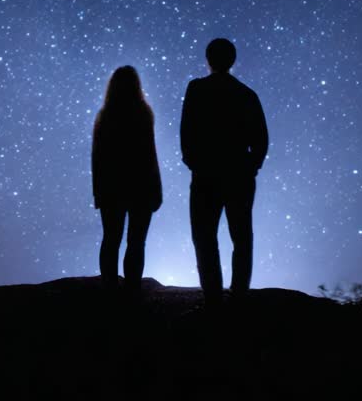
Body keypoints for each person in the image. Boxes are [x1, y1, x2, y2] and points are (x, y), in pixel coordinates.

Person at [180, 38, 268, 307]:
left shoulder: (197, 89)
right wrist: (251, 166)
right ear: (233, 60)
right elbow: (261, 139)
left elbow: (187, 131)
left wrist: (194, 162)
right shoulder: (246, 94)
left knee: (204, 237)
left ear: (208, 59)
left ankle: (213, 298)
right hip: (238, 175)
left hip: (206, 174)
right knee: (241, 237)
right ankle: (238, 295)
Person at [92, 65, 162, 300]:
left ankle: (110, 289)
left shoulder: (105, 115)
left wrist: (98, 192)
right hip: (141, 186)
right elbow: (150, 154)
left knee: (111, 239)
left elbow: (97, 157)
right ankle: (132, 290)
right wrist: (156, 189)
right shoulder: (144, 113)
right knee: (136, 242)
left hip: (112, 187)